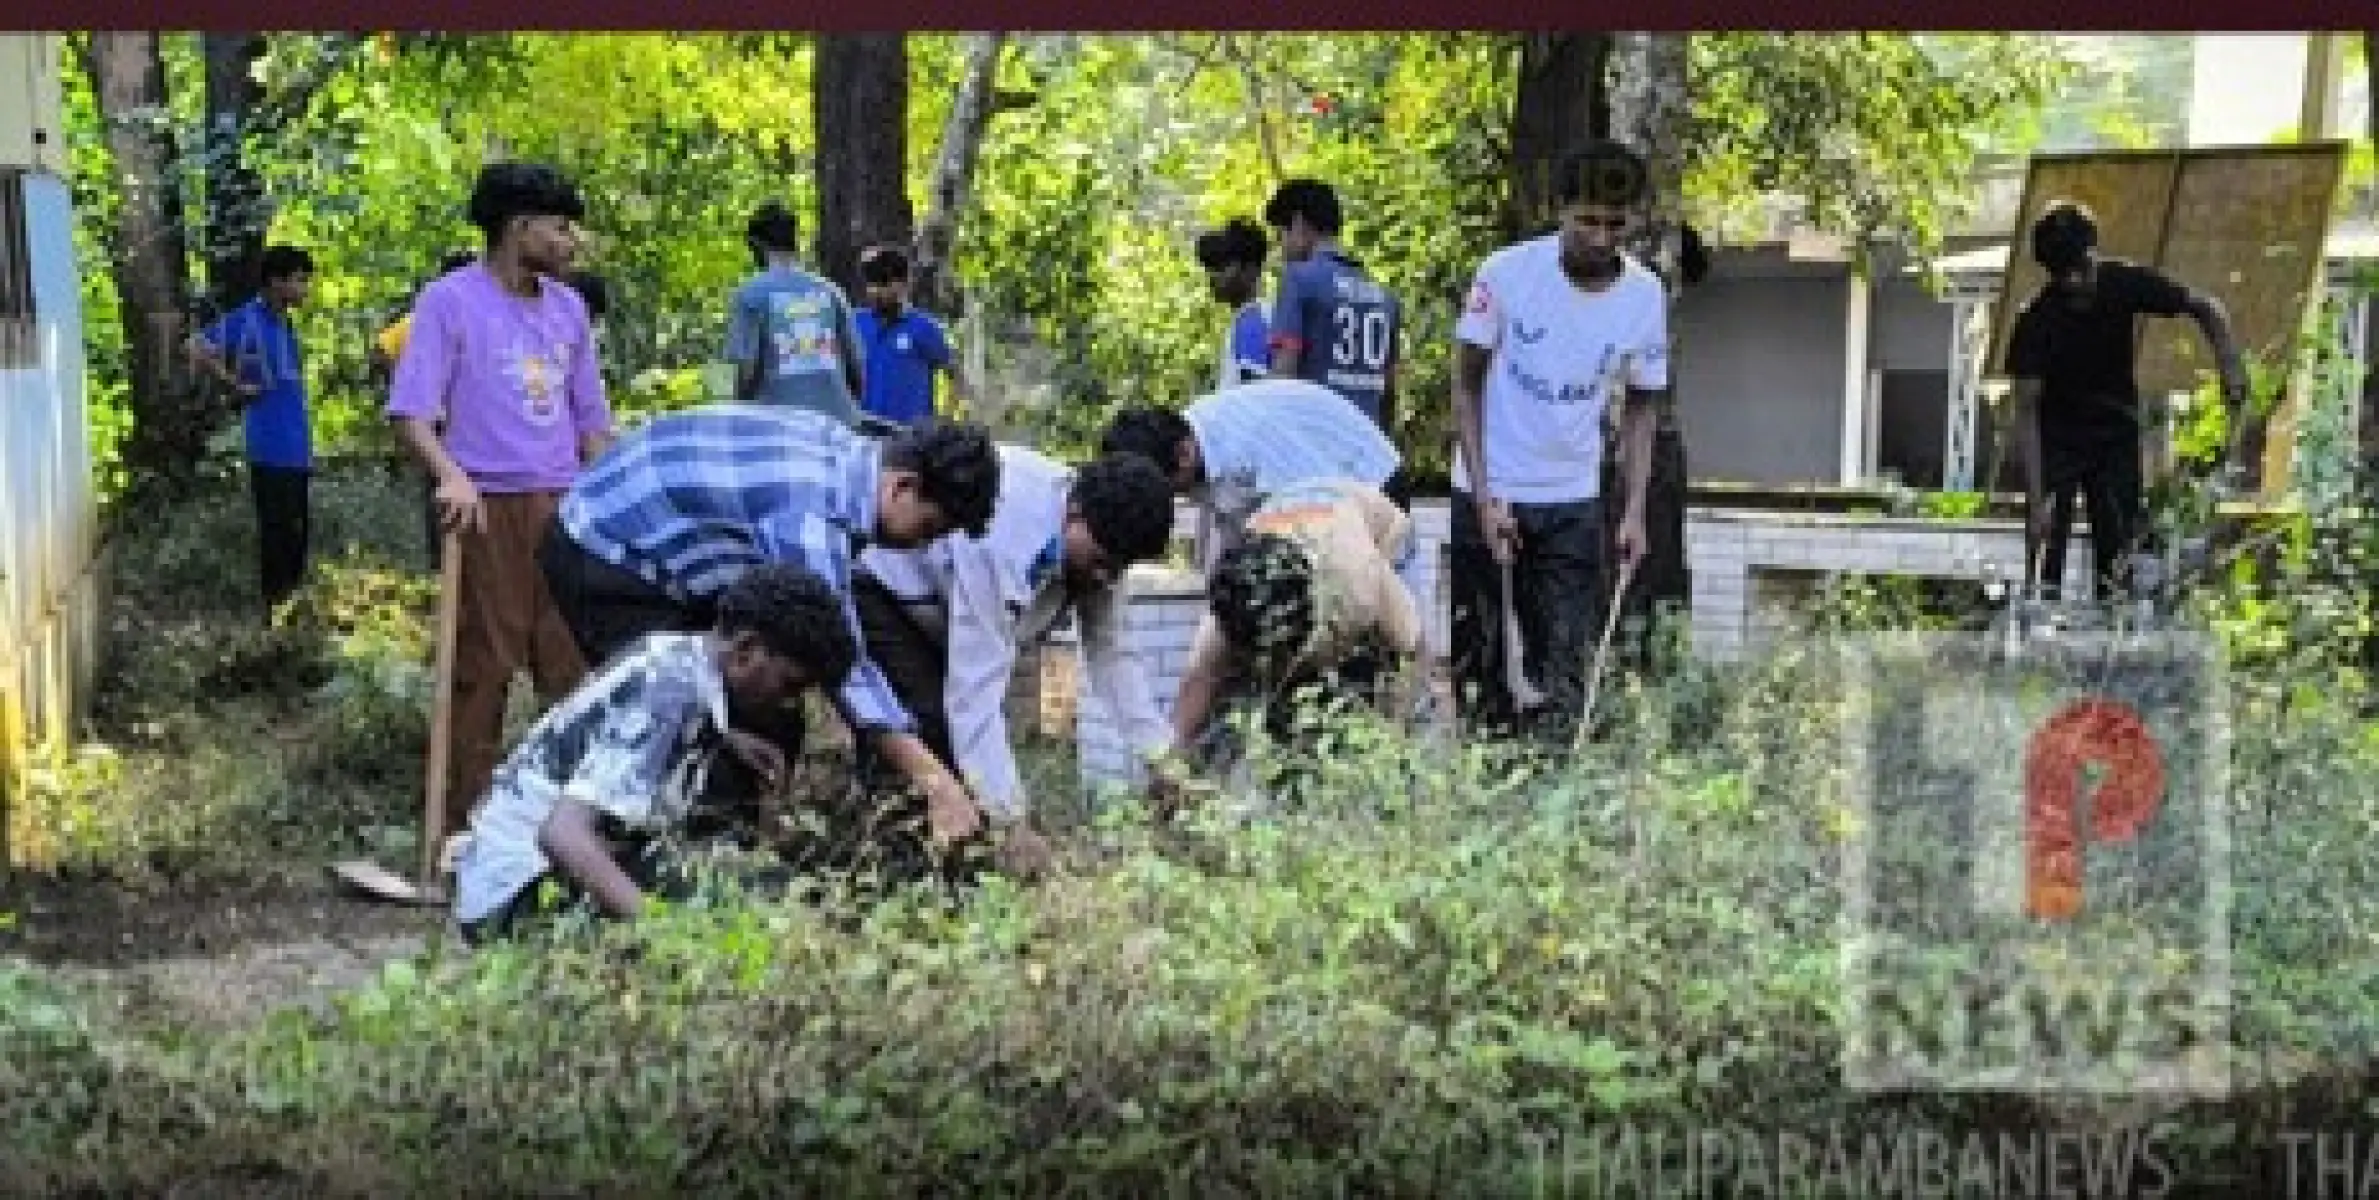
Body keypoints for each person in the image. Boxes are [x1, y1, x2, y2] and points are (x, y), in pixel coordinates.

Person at [537, 404, 1004, 871]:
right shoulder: (809, 514)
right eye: (928, 528)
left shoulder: (851, 457)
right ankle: (669, 873)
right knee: (680, 710)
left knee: (760, 711)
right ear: (903, 485)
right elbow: (847, 670)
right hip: (607, 551)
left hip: (676, 551)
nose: (922, 546)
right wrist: (937, 783)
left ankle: (727, 851)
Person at [449, 562, 857, 946]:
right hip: (517, 893)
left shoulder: (680, 658)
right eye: (789, 685)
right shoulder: (668, 694)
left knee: (762, 886)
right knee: (741, 918)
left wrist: (723, 737)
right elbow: (563, 835)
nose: (788, 703)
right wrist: (662, 936)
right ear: (746, 650)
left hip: (533, 870)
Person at [386, 161, 613, 850]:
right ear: (519, 229)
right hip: (484, 509)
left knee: (571, 669)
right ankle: (466, 832)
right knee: (482, 669)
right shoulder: (449, 302)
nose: (570, 241)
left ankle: (568, 826)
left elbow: (592, 421)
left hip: (564, 508)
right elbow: (411, 413)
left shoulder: (569, 309)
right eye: (558, 226)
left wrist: (604, 497)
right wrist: (449, 476)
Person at [853, 448, 1179, 874]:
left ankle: (956, 872)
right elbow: (974, 699)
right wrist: (1012, 823)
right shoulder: (1005, 535)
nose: (1106, 578)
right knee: (925, 730)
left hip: (945, 609)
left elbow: (1112, 654)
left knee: (961, 756)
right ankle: (892, 873)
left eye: (1118, 569)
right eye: (1100, 562)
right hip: (888, 590)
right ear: (1074, 511)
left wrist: (1162, 758)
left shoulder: (1102, 543)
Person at [1448, 139, 1668, 744]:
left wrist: (1633, 511)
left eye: (1614, 225)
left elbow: (1643, 404)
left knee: (1566, 667)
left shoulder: (1646, 296)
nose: (1600, 237)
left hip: (1572, 499)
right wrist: (1487, 497)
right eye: (1588, 221)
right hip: (1489, 493)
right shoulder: (1505, 274)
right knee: (1483, 665)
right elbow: (1465, 386)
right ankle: (1479, 793)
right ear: (1561, 210)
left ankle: (1551, 796)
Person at [2002, 200, 2249, 605]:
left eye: (2081, 270)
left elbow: (2206, 307)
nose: (2075, 283)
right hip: (2057, 440)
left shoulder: (2124, 283)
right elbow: (2026, 412)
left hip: (2114, 433)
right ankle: (2038, 619)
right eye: (2064, 276)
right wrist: (2034, 502)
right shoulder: (2035, 320)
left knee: (2116, 552)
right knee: (2047, 546)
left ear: (2092, 254)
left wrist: (2229, 362)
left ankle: (2114, 620)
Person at [1165, 477, 1425, 812]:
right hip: (1301, 530)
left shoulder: (1359, 584)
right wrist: (1169, 767)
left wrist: (1400, 742)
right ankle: (1293, 796)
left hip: (1382, 536)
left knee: (1369, 692)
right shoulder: (1233, 605)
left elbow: (1417, 654)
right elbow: (1197, 686)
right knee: (1284, 710)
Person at [1097, 377, 1401, 580]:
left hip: (1369, 482)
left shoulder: (1250, 442)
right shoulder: (1191, 451)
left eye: (1171, 488)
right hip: (1318, 499)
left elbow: (1325, 508)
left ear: (1184, 454)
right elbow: (1240, 526)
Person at [185, 244, 318, 618]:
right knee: (277, 535)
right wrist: (232, 384)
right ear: (275, 282)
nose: (305, 288)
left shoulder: (284, 324)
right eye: (299, 280)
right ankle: (272, 613)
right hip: (269, 447)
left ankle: (291, 612)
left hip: (296, 446)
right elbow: (195, 347)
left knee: (299, 535)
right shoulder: (247, 319)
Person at [1263, 178, 1407, 505]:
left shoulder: (1299, 280)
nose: (1281, 248)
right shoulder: (1385, 298)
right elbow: (1388, 392)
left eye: (1281, 235)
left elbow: (1282, 376)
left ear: (1299, 224)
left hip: (1314, 458)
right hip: (1368, 461)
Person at [374, 249, 478, 571]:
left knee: (450, 490)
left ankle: (452, 563)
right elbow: (380, 351)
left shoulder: (462, 319)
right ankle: (444, 564)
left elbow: (379, 351)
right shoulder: (425, 319)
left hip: (452, 423)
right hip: (436, 424)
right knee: (445, 490)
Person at [722, 201, 866, 426]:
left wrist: (737, 417)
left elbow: (746, 372)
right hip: (836, 421)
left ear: (755, 245)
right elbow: (856, 367)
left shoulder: (749, 295)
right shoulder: (830, 291)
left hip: (778, 426)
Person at [854, 244, 963, 427]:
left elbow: (955, 374)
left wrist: (945, 422)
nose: (875, 290)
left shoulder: (924, 327)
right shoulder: (855, 322)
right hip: (863, 433)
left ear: (903, 284)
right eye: (871, 282)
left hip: (911, 437)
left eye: (883, 282)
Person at [1194, 217, 1271, 390]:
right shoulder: (1248, 319)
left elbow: (1255, 394)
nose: (1213, 276)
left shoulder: (1253, 321)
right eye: (1210, 268)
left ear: (1251, 269)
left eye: (1222, 267)